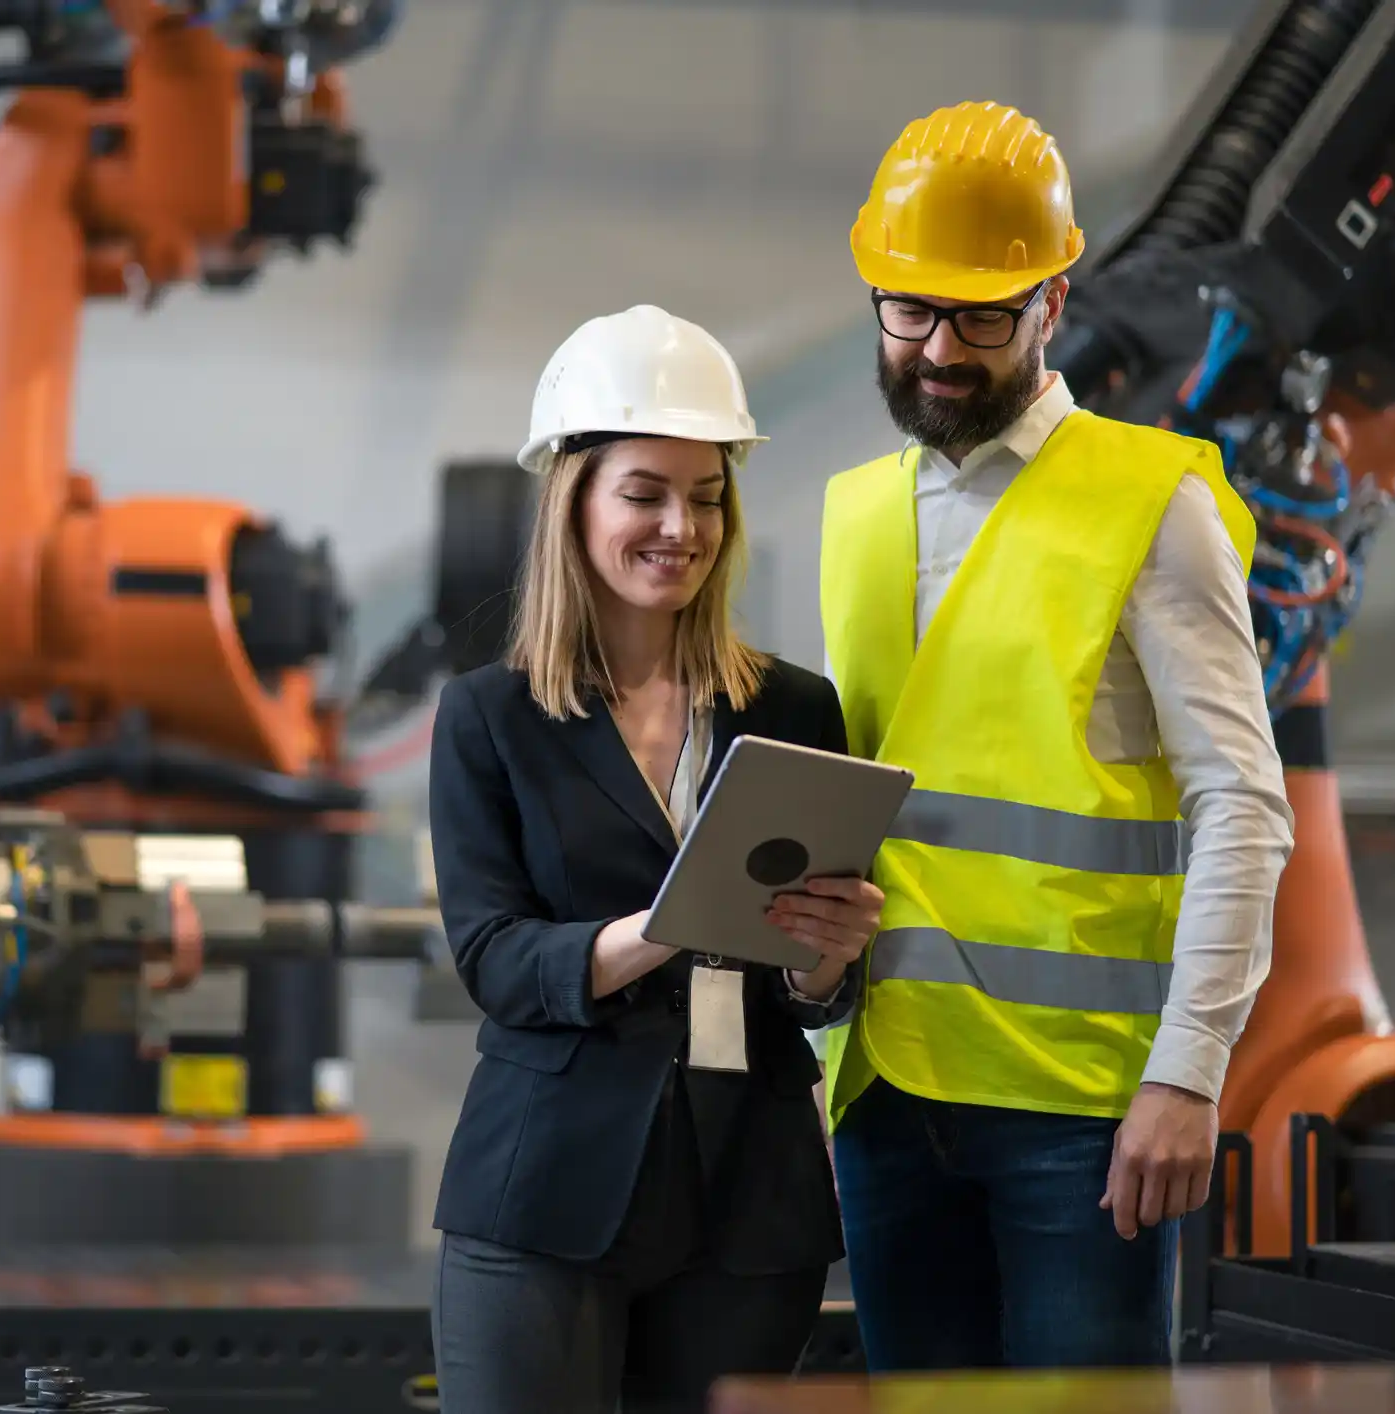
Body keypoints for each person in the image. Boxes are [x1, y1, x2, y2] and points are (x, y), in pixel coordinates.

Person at [815, 101, 1296, 1372]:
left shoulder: (1152, 502)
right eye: (908, 308)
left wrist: (1188, 1073)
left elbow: (1241, 805)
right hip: (884, 1096)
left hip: (1083, 1119)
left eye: (980, 314)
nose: (937, 349)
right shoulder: (857, 518)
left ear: (1053, 300)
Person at [425, 304, 884, 1413]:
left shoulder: (790, 707)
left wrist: (826, 958)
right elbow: (494, 959)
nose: (679, 525)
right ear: (573, 499)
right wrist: (665, 924)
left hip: (747, 1199)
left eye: (706, 496)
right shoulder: (490, 717)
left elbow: (818, 995)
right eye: (644, 492)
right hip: (544, 1194)